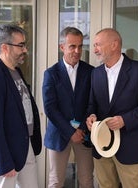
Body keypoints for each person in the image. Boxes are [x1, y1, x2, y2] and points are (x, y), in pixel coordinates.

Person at [86, 28, 138, 188]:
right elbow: (92, 104)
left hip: (130, 147)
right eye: (94, 45)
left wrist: (125, 120)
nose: (94, 50)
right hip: (101, 145)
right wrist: (91, 116)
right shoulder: (96, 73)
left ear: (114, 45)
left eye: (98, 45)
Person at [0, 23, 42, 188]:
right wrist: (4, 162)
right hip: (5, 153)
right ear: (5, 47)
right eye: (21, 45)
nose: (25, 50)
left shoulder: (15, 71)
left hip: (24, 146)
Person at [42, 27, 94, 188]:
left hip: (84, 134)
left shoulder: (91, 71)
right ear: (62, 47)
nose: (77, 51)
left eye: (80, 46)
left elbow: (92, 103)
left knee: (87, 180)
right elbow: (50, 108)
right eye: (72, 46)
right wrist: (70, 132)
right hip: (59, 134)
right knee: (56, 181)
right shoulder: (51, 73)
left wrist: (82, 129)